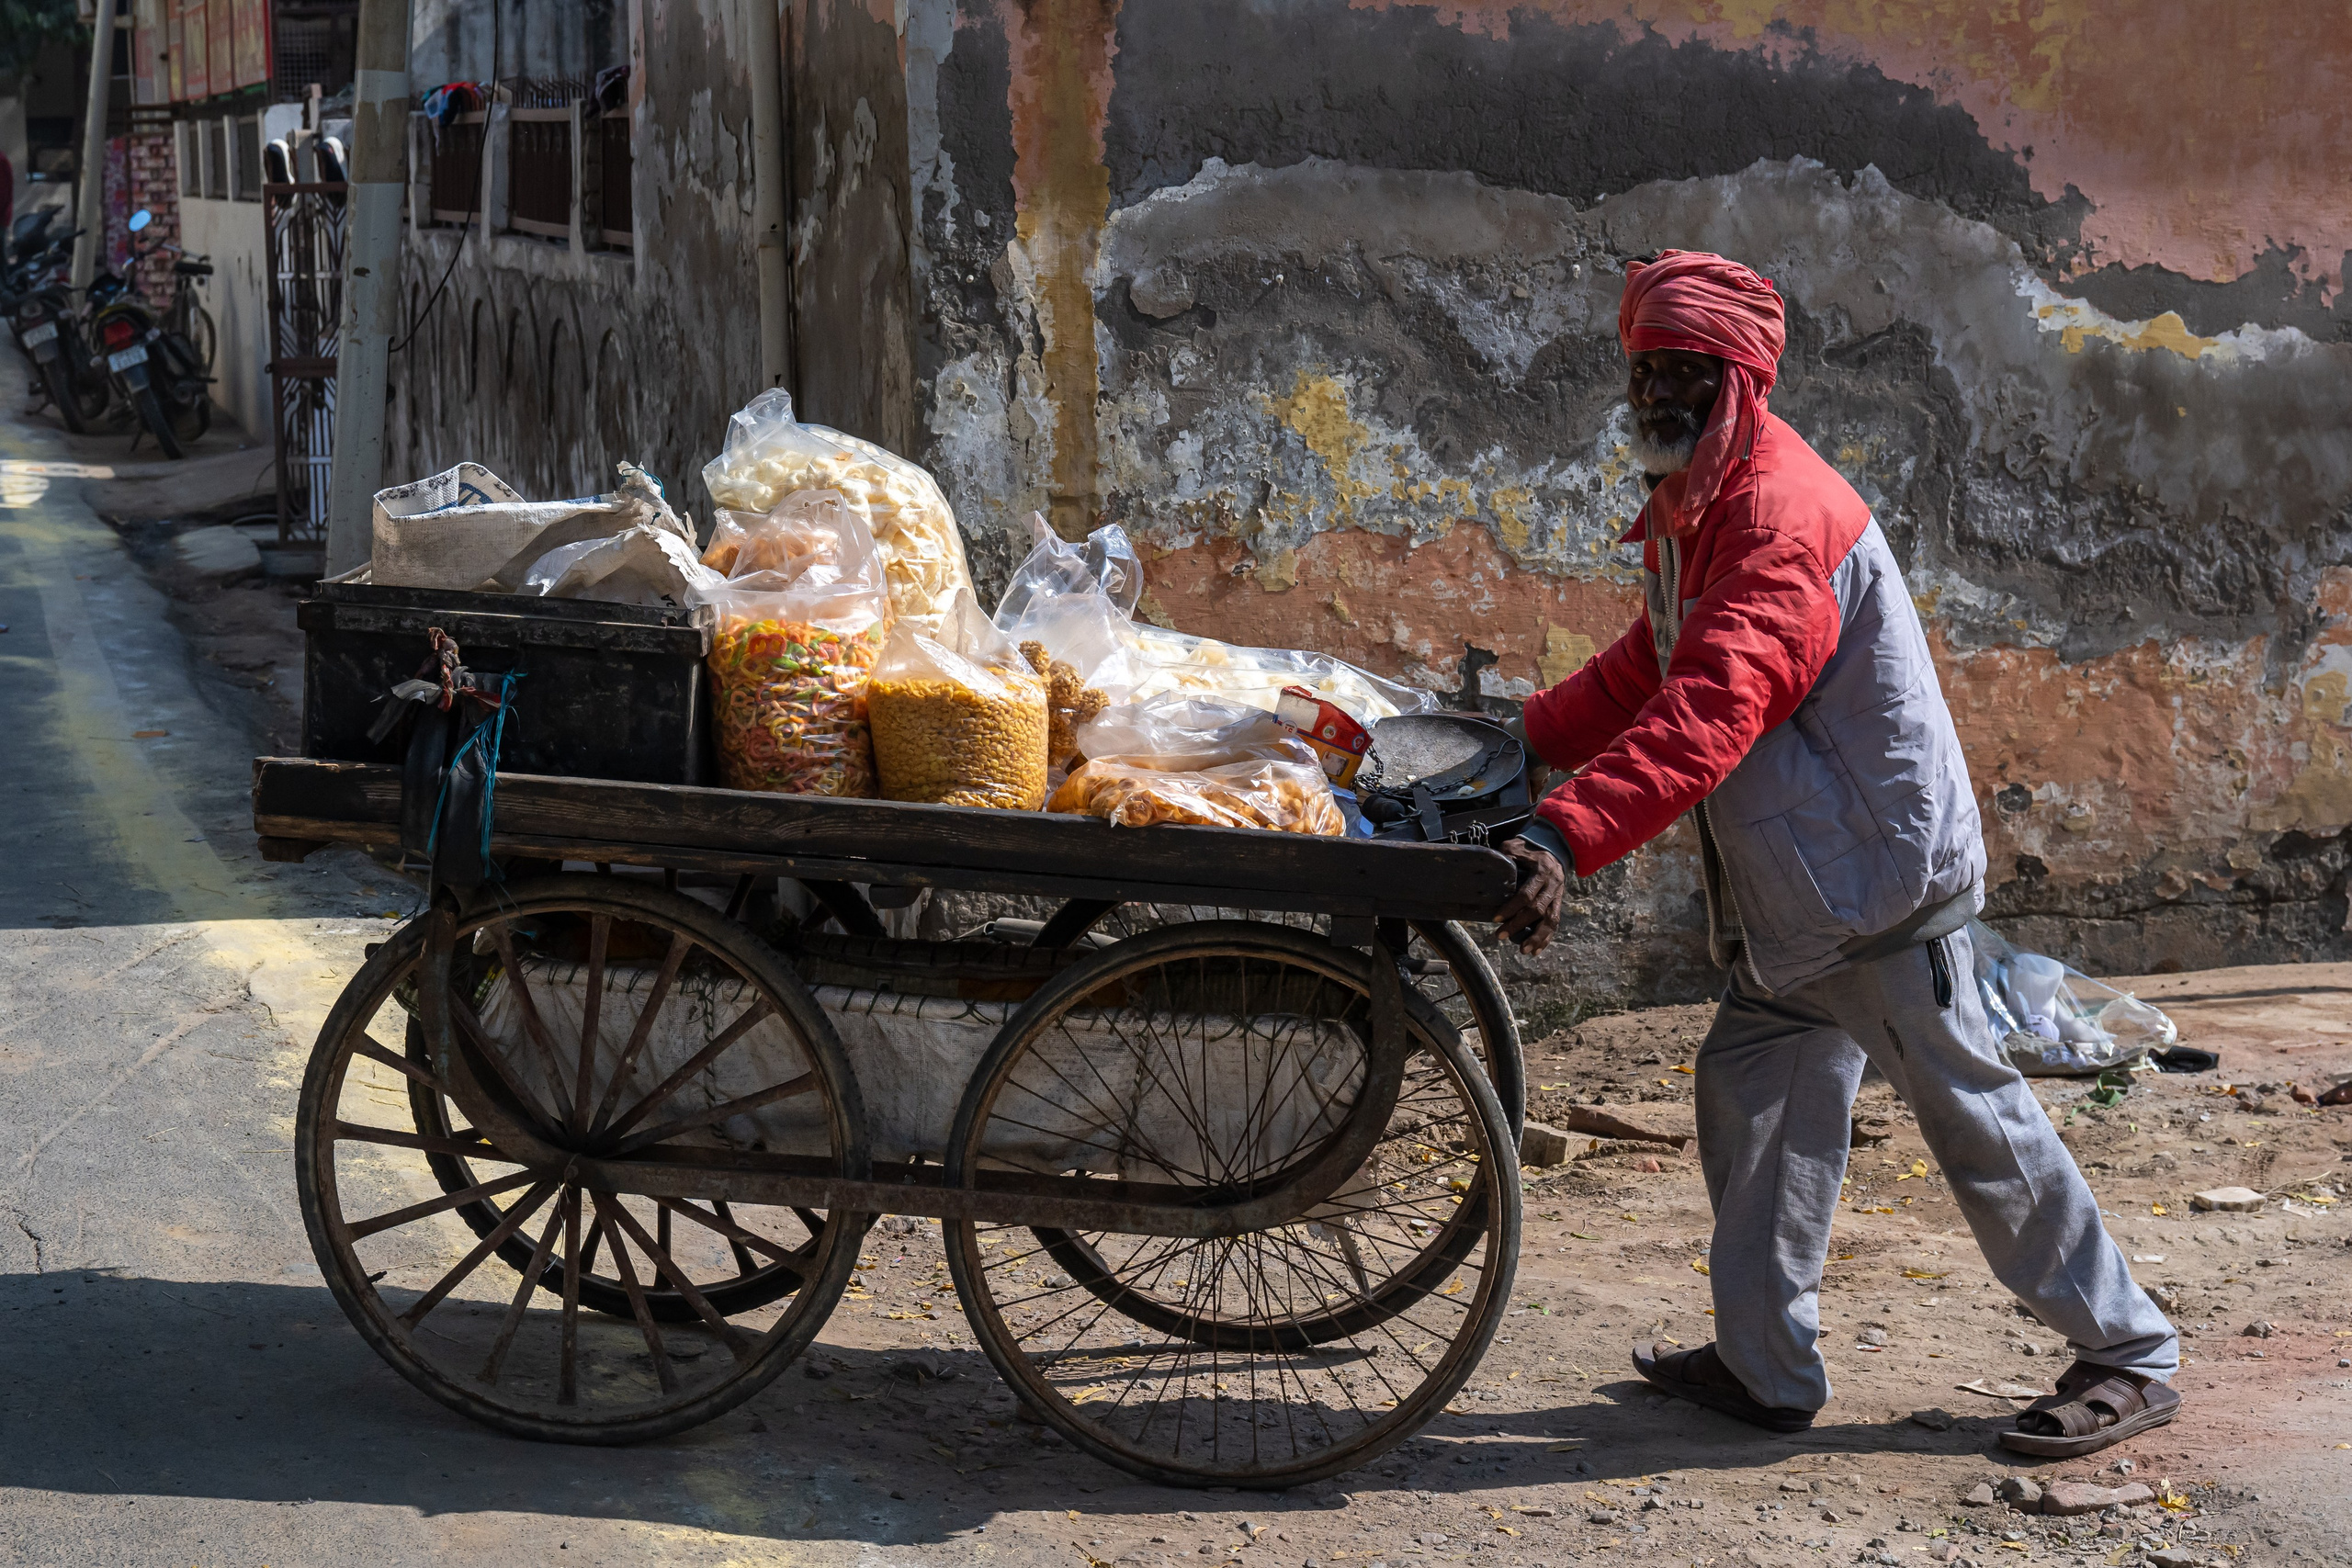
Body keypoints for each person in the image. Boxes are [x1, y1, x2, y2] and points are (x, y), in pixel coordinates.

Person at [1487, 250, 2179, 1457]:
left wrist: (1564, 831)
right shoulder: (1696, 501)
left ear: (1738, 381)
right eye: (1643, 373)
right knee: (1754, 1088)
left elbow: (1708, 710)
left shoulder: (1776, 516)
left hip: (1872, 889)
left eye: (1681, 376)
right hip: (1802, 897)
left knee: (1973, 1120)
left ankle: (2131, 1351)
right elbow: (1648, 664)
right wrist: (1520, 742)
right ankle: (1764, 1367)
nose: (1654, 398)